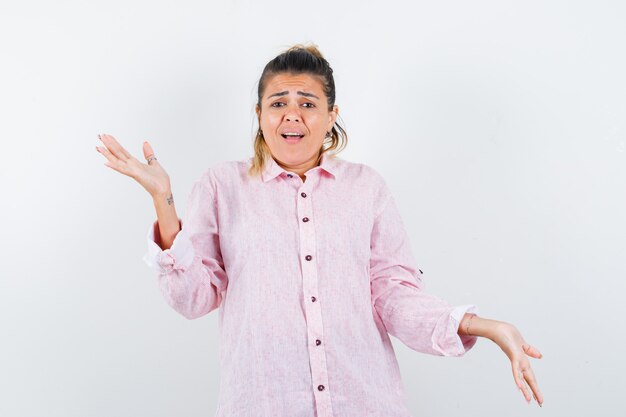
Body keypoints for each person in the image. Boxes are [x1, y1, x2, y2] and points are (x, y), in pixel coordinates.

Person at [95, 44, 544, 416]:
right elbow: (193, 299)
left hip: (365, 402)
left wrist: (483, 326)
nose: (292, 116)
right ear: (259, 113)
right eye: (278, 103)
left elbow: (394, 296)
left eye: (307, 104)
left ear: (331, 115)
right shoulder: (222, 186)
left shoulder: (366, 188)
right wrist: (163, 199)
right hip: (264, 404)